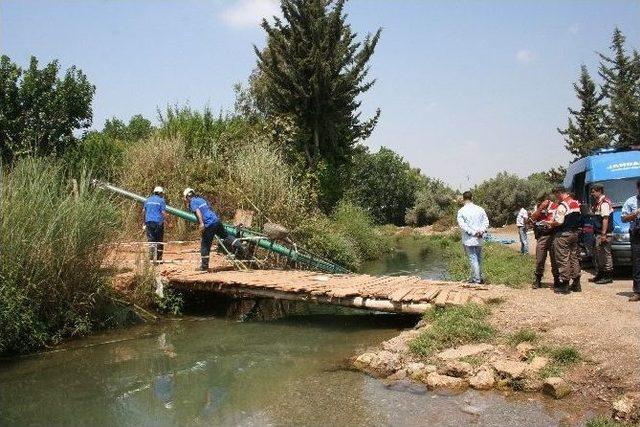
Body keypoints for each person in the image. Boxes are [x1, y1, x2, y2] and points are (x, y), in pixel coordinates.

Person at [183, 188, 244, 271]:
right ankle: (240, 246)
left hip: (209, 224)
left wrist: (201, 223)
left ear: (188, 197)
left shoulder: (193, 202)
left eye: (186, 198)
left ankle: (204, 266)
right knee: (225, 236)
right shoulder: (201, 199)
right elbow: (209, 208)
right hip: (216, 220)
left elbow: (198, 211)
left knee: (205, 245)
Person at [545, 186, 582, 294]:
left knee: (563, 259)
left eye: (556, 195)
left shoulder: (563, 205)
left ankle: (565, 284)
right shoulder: (575, 203)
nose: (556, 197)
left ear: (560, 193)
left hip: (563, 235)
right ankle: (576, 283)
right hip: (574, 234)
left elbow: (559, 222)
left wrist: (550, 223)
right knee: (573, 258)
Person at [456, 191, 489, 284]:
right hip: (479, 238)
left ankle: (477, 279)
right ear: (472, 198)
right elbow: (486, 222)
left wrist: (473, 232)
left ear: (463, 199)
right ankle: (478, 277)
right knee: (478, 257)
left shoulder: (461, 211)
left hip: (469, 239)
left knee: (473, 258)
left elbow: (463, 225)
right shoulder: (480, 209)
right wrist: (481, 231)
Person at [529, 193, 560, 289]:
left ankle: (557, 280)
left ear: (546, 199)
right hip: (542, 236)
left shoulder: (556, 206)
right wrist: (540, 208)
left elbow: (558, 220)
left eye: (541, 200)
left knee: (555, 260)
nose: (539, 202)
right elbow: (533, 218)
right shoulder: (538, 207)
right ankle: (538, 279)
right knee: (540, 259)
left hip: (553, 235)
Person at [590, 183, 614, 284]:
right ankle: (600, 274)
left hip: (604, 233)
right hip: (599, 233)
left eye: (593, 192)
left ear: (599, 191)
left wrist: (603, 234)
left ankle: (608, 275)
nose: (592, 194)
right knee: (599, 255)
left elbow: (605, 219)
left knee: (606, 254)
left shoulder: (604, 203)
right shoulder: (598, 203)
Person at [620, 180, 640, 302]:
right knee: (637, 263)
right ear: (638, 189)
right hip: (637, 235)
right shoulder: (631, 201)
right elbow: (623, 218)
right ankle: (638, 291)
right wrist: (635, 213)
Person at [143, 186, 167, 263]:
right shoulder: (161, 200)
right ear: (160, 193)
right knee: (159, 240)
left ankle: (151, 258)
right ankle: (159, 259)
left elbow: (143, 211)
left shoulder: (148, 200)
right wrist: (168, 221)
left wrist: (144, 222)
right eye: (162, 193)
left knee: (151, 240)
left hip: (149, 222)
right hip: (158, 223)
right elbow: (163, 212)